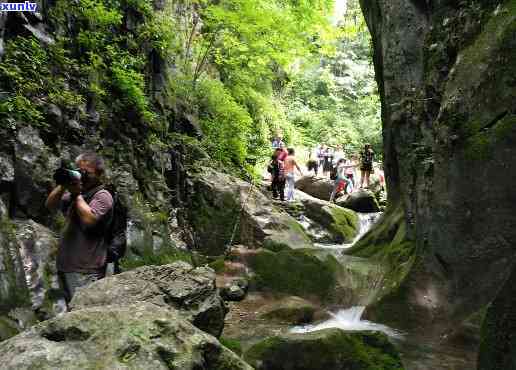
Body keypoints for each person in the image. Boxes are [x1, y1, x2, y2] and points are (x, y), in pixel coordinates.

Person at [45, 152, 113, 303]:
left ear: (99, 173)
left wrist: (76, 194)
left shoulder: (103, 195)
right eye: (79, 171)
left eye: (87, 172)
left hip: (87, 269)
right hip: (66, 266)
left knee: (89, 312)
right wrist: (63, 184)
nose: (82, 176)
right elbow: (49, 205)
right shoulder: (77, 192)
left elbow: (89, 219)